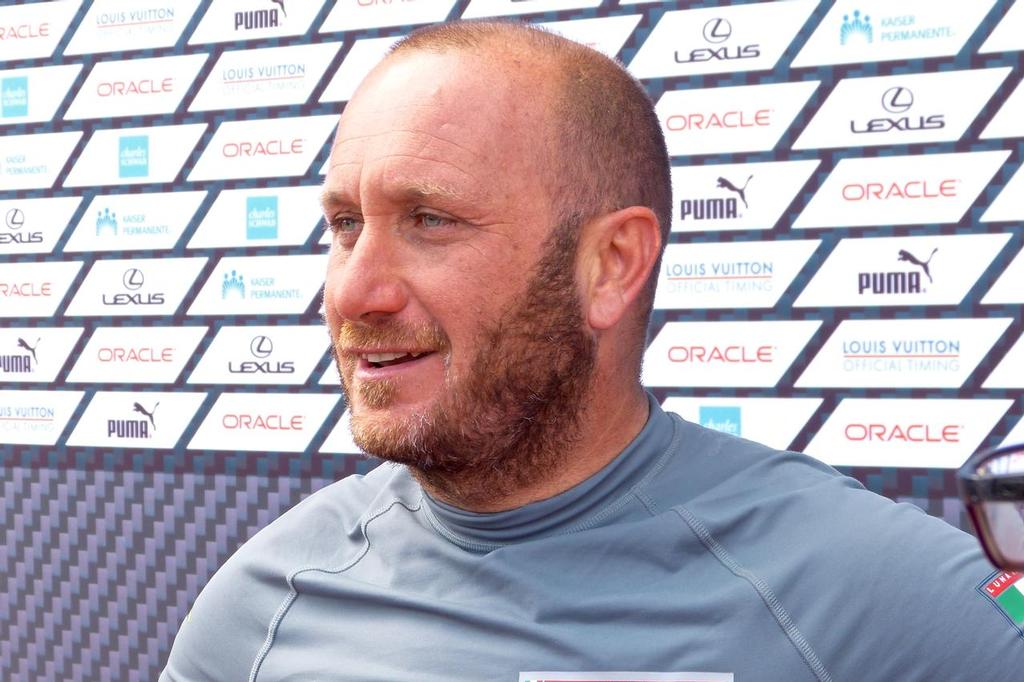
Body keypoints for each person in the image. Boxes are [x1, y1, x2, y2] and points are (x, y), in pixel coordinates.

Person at [161, 21, 1024, 681]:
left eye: (430, 220)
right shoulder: (268, 598)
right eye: (346, 226)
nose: (354, 291)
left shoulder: (858, 587)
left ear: (610, 265)